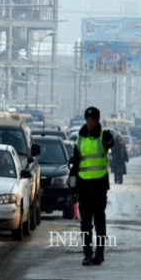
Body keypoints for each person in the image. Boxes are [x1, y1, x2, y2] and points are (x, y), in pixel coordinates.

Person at [69, 106, 114, 266]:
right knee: (86, 223)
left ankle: (99, 254)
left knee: (99, 221)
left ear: (97, 121)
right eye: (88, 120)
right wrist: (73, 184)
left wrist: (110, 139)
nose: (90, 123)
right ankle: (87, 254)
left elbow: (110, 144)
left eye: (92, 121)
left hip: (99, 186)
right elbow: (75, 163)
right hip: (84, 186)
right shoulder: (79, 138)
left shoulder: (103, 136)